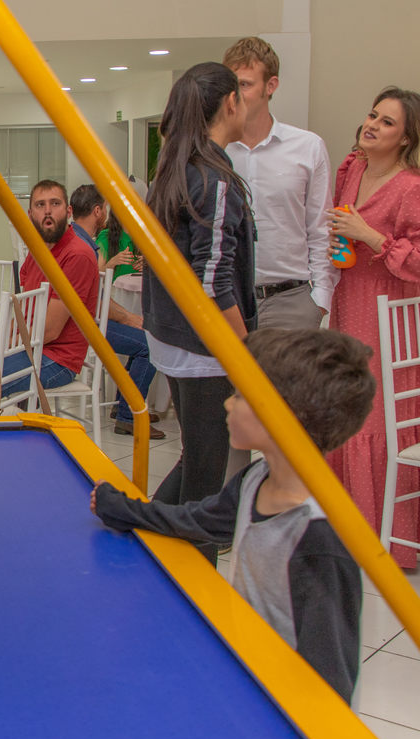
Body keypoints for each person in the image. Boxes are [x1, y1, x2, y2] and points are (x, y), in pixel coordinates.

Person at [91, 327, 375, 704]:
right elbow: (196, 520)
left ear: (282, 418)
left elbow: (332, 675)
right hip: (249, 677)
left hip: (285, 709)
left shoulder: (319, 538)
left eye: (239, 395)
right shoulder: (256, 479)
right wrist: (123, 508)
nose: (227, 403)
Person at [143, 63, 256, 556]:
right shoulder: (214, 176)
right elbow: (214, 281)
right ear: (230, 102)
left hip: (171, 338)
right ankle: (195, 587)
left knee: (196, 460)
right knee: (207, 479)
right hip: (203, 343)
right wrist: (247, 350)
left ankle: (136, 529)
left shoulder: (175, 165)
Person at [325, 86, 420, 566]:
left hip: (387, 316)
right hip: (347, 301)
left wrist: (372, 237)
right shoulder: (352, 168)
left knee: (377, 415)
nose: (373, 126)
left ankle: (387, 539)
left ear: (405, 139)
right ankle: (343, 530)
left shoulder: (411, 187)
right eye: (372, 115)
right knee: (343, 406)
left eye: (387, 123)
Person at [223, 37, 336, 330]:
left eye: (245, 84)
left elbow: (320, 227)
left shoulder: (308, 147)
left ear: (270, 86)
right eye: (231, 84)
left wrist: (321, 298)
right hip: (227, 302)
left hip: (292, 302)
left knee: (288, 379)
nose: (235, 94)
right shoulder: (214, 151)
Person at [0, 180, 100, 403]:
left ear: (68, 211)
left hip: (57, 359)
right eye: (40, 205)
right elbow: (23, 318)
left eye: (55, 203)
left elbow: (49, 331)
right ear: (30, 214)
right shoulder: (36, 253)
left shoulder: (77, 254)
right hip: (30, 350)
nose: (48, 210)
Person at [69, 184, 164, 439]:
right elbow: (94, 299)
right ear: (98, 211)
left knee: (142, 339)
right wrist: (129, 317)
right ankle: (127, 416)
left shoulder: (76, 240)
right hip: (83, 327)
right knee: (150, 345)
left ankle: (125, 406)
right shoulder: (84, 248)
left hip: (83, 321)